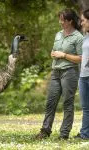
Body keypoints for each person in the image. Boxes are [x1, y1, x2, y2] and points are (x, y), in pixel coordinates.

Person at [36, 8, 83, 140]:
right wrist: (53, 53)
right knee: (50, 103)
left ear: (70, 21)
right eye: (60, 19)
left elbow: (80, 58)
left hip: (70, 73)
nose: (60, 22)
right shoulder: (58, 34)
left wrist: (64, 55)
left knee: (68, 103)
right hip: (56, 72)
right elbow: (54, 50)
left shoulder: (78, 37)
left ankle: (64, 134)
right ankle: (45, 131)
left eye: (62, 20)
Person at [74, 9, 89, 140]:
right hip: (83, 76)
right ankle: (85, 134)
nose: (81, 23)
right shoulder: (85, 36)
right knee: (86, 108)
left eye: (83, 20)